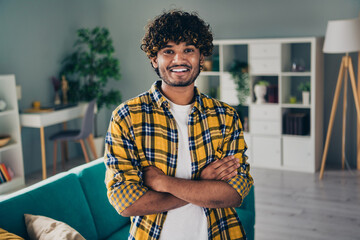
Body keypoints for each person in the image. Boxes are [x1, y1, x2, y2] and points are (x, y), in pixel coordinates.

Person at [104, 10, 253, 240]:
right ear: (155, 58)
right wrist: (203, 185)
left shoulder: (226, 117)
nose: (178, 59)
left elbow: (234, 193)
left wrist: (162, 182)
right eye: (168, 51)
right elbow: (126, 203)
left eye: (188, 50)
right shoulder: (127, 117)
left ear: (201, 57)